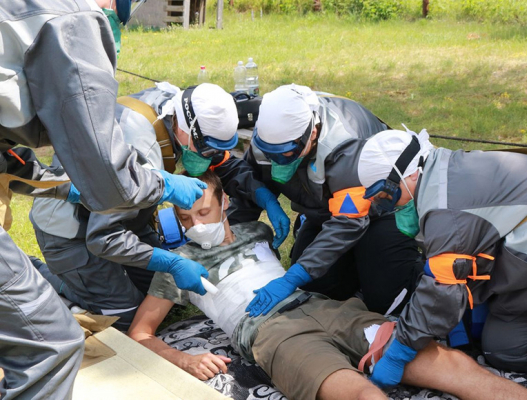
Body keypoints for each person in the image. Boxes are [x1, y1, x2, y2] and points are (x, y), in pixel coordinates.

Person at [128, 171, 527, 400]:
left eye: (203, 213)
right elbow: (140, 333)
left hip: (326, 307)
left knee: (447, 364)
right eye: (185, 220)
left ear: (225, 204)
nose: (197, 226)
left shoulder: (255, 231)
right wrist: (183, 359)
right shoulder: (176, 265)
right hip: (271, 335)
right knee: (361, 396)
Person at [0, 1, 205, 398]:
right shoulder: (70, 19)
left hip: (87, 222)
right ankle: (60, 285)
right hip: (73, 238)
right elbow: (105, 217)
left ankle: (46, 282)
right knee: (54, 343)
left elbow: (9, 155)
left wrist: (57, 183)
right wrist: (160, 185)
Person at [356, 128, 527, 391]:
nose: (389, 206)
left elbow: (440, 294)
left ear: (410, 174)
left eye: (387, 195)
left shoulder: (446, 213)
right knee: (507, 351)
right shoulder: (441, 172)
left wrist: (398, 353)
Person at [30, 82, 287, 331]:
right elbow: (103, 237)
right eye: (206, 150)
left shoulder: (178, 111)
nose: (209, 158)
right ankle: (40, 277)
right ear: (186, 130)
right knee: (124, 320)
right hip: (71, 230)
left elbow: (224, 163)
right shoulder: (137, 146)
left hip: (125, 216)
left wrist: (264, 196)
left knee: (163, 295)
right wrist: (172, 264)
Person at [236, 84, 422, 318]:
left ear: (311, 133)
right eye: (268, 152)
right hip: (326, 211)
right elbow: (249, 182)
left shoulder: (348, 149)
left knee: (385, 301)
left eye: (284, 154)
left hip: (384, 209)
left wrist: (293, 276)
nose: (275, 161)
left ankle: (403, 268)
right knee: (316, 289)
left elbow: (347, 223)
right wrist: (258, 203)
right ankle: (355, 269)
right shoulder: (269, 136)